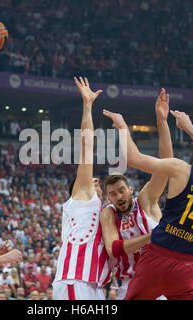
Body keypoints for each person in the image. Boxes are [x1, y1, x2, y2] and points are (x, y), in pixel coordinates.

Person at [103, 107, 193, 300]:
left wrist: (123, 127)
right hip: (190, 267)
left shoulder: (182, 170)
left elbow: (133, 158)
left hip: (157, 258)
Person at [100, 89, 173, 299]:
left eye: (121, 190)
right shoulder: (109, 213)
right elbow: (114, 249)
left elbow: (167, 163)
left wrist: (162, 120)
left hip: (158, 282)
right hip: (128, 286)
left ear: (130, 190)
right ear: (109, 198)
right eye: (113, 194)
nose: (118, 196)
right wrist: (151, 237)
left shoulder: (146, 200)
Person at [52, 77, 110, 300]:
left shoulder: (99, 208)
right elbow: (87, 145)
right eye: (91, 180)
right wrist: (87, 105)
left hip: (93, 283)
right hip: (74, 279)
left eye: (97, 181)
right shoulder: (82, 198)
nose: (95, 182)